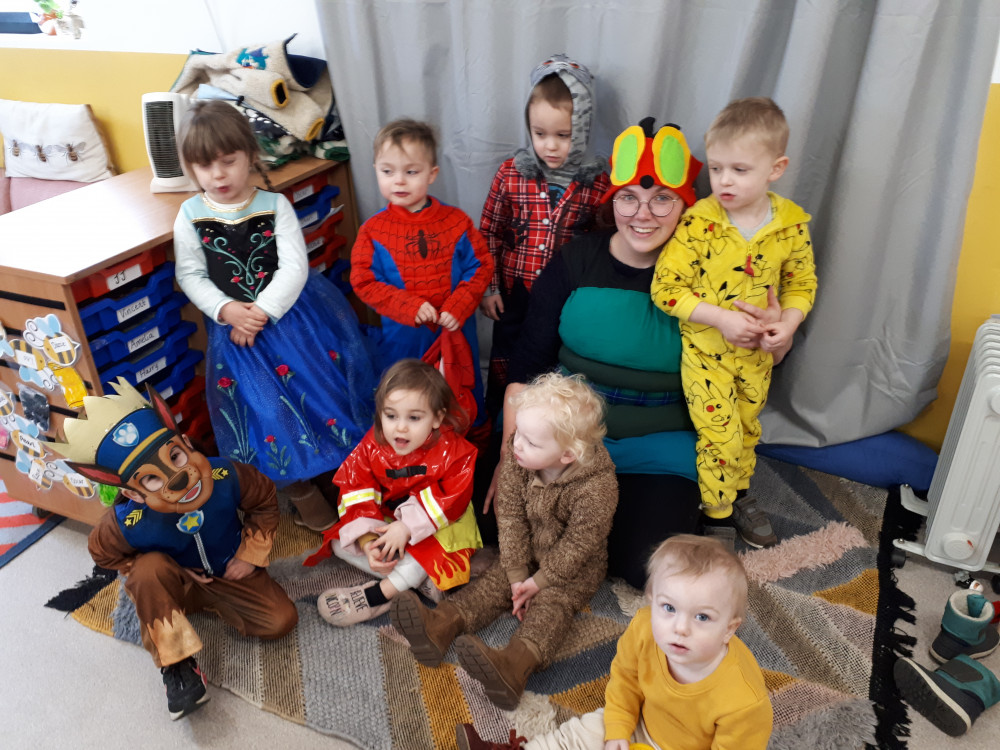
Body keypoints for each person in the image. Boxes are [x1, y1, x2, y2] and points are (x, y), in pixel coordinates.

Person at [488, 118, 704, 589]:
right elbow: (526, 369)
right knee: (493, 527)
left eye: (661, 199)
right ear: (612, 201)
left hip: (659, 448)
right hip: (564, 446)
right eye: (629, 198)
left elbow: (742, 374)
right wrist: (510, 459)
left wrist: (775, 340)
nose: (642, 215)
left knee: (642, 563)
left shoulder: (707, 277)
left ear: (685, 204)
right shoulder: (576, 260)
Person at [172, 99, 377, 532]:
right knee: (271, 415)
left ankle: (345, 476)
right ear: (191, 169)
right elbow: (189, 274)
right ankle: (299, 489)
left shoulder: (275, 204)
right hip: (239, 339)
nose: (219, 175)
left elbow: (295, 266)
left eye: (228, 161)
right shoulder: (190, 215)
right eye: (205, 167)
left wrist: (263, 309)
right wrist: (226, 309)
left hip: (295, 325)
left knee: (322, 398)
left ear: (250, 154)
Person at [50, 379, 297, 720]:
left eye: (176, 456)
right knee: (146, 572)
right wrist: (173, 573)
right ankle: (178, 666)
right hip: (178, 584)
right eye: (151, 479)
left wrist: (248, 554)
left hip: (228, 572)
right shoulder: (127, 521)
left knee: (281, 620)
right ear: (134, 494)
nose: (177, 477)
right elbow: (104, 554)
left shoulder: (225, 474)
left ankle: (210, 604)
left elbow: (265, 501)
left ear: (183, 444)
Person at [390, 372, 618, 710]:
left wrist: (538, 583)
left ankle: (514, 665)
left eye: (531, 441)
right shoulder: (517, 454)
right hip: (526, 551)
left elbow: (579, 545)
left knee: (552, 607)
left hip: (572, 568)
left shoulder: (597, 488)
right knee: (494, 581)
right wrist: (515, 575)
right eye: (518, 434)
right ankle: (440, 625)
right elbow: (509, 515)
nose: (517, 444)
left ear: (567, 454)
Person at [651, 97, 817, 549]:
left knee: (746, 428)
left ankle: (737, 495)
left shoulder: (790, 225)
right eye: (717, 168)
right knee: (719, 432)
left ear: (775, 168)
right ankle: (715, 515)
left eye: (740, 170)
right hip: (708, 354)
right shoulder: (699, 222)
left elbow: (802, 282)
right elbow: (666, 288)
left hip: (758, 357)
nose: (724, 181)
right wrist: (720, 318)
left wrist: (789, 322)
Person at [455, 534, 772, 750]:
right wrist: (620, 728)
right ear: (651, 600)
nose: (680, 628)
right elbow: (625, 681)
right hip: (640, 720)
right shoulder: (646, 627)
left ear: (730, 630)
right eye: (669, 608)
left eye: (702, 617)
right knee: (583, 732)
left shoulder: (743, 702)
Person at [478, 54, 609, 421]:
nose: (550, 145)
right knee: (506, 361)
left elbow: (603, 247)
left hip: (565, 301)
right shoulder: (511, 174)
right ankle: (498, 430)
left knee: (553, 369)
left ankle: (549, 433)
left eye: (563, 135)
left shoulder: (596, 183)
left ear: (581, 129)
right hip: (513, 294)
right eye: (540, 134)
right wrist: (489, 288)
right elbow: (488, 231)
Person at [303, 359, 481, 625]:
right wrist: (368, 542)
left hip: (442, 525)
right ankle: (415, 580)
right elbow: (356, 490)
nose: (400, 427)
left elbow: (450, 501)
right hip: (389, 519)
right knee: (341, 543)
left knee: (423, 556)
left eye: (414, 418)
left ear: (437, 418)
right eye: (391, 415)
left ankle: (379, 595)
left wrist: (407, 528)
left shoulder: (457, 452)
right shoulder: (370, 446)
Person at [350, 118, 494, 426]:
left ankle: (470, 461)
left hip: (456, 335)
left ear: (432, 174)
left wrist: (460, 304)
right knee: (408, 400)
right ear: (375, 168)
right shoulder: (372, 231)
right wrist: (408, 306)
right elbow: (363, 281)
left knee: (459, 399)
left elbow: (480, 264)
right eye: (387, 171)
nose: (399, 181)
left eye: (411, 171)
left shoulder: (457, 222)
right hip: (404, 341)